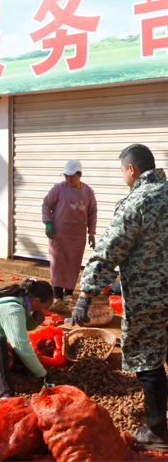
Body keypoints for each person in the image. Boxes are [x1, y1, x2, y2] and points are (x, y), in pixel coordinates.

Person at [71, 144, 168, 453]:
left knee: (149, 359)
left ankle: (157, 432)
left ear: (131, 170)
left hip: (149, 298)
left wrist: (86, 294)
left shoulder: (136, 202)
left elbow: (110, 250)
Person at [42, 160, 97, 312]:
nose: (69, 179)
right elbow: (46, 204)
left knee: (73, 264)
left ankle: (69, 295)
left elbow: (92, 213)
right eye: (66, 176)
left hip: (77, 237)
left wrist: (91, 233)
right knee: (58, 264)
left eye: (72, 176)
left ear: (80, 175)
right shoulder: (59, 188)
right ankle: (58, 296)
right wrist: (48, 222)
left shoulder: (88, 192)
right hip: (58, 235)